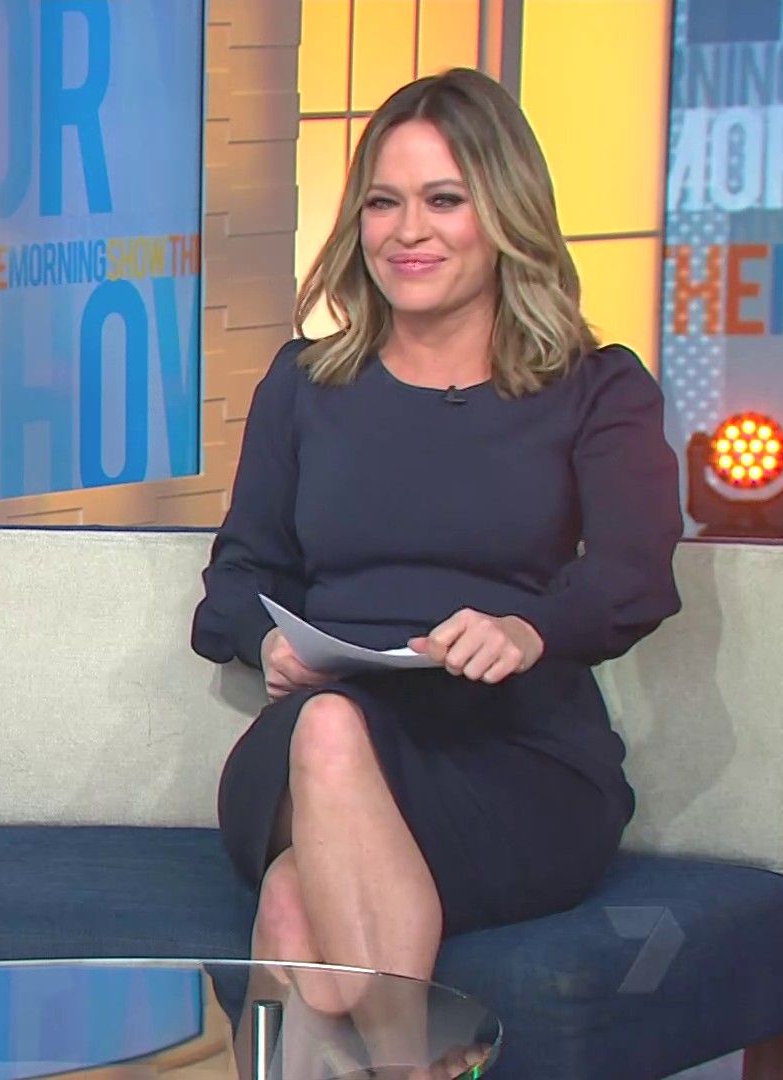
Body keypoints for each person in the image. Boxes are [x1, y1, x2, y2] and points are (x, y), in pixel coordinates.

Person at [190, 68, 682, 1075]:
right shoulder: (305, 384)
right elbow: (237, 578)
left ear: (504, 214)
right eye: (384, 202)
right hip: (318, 744)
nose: (407, 232)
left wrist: (528, 630)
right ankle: (412, 1061)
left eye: (444, 200)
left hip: (517, 758)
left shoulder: (597, 389)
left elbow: (635, 572)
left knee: (293, 900)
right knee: (330, 729)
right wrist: (266, 641)